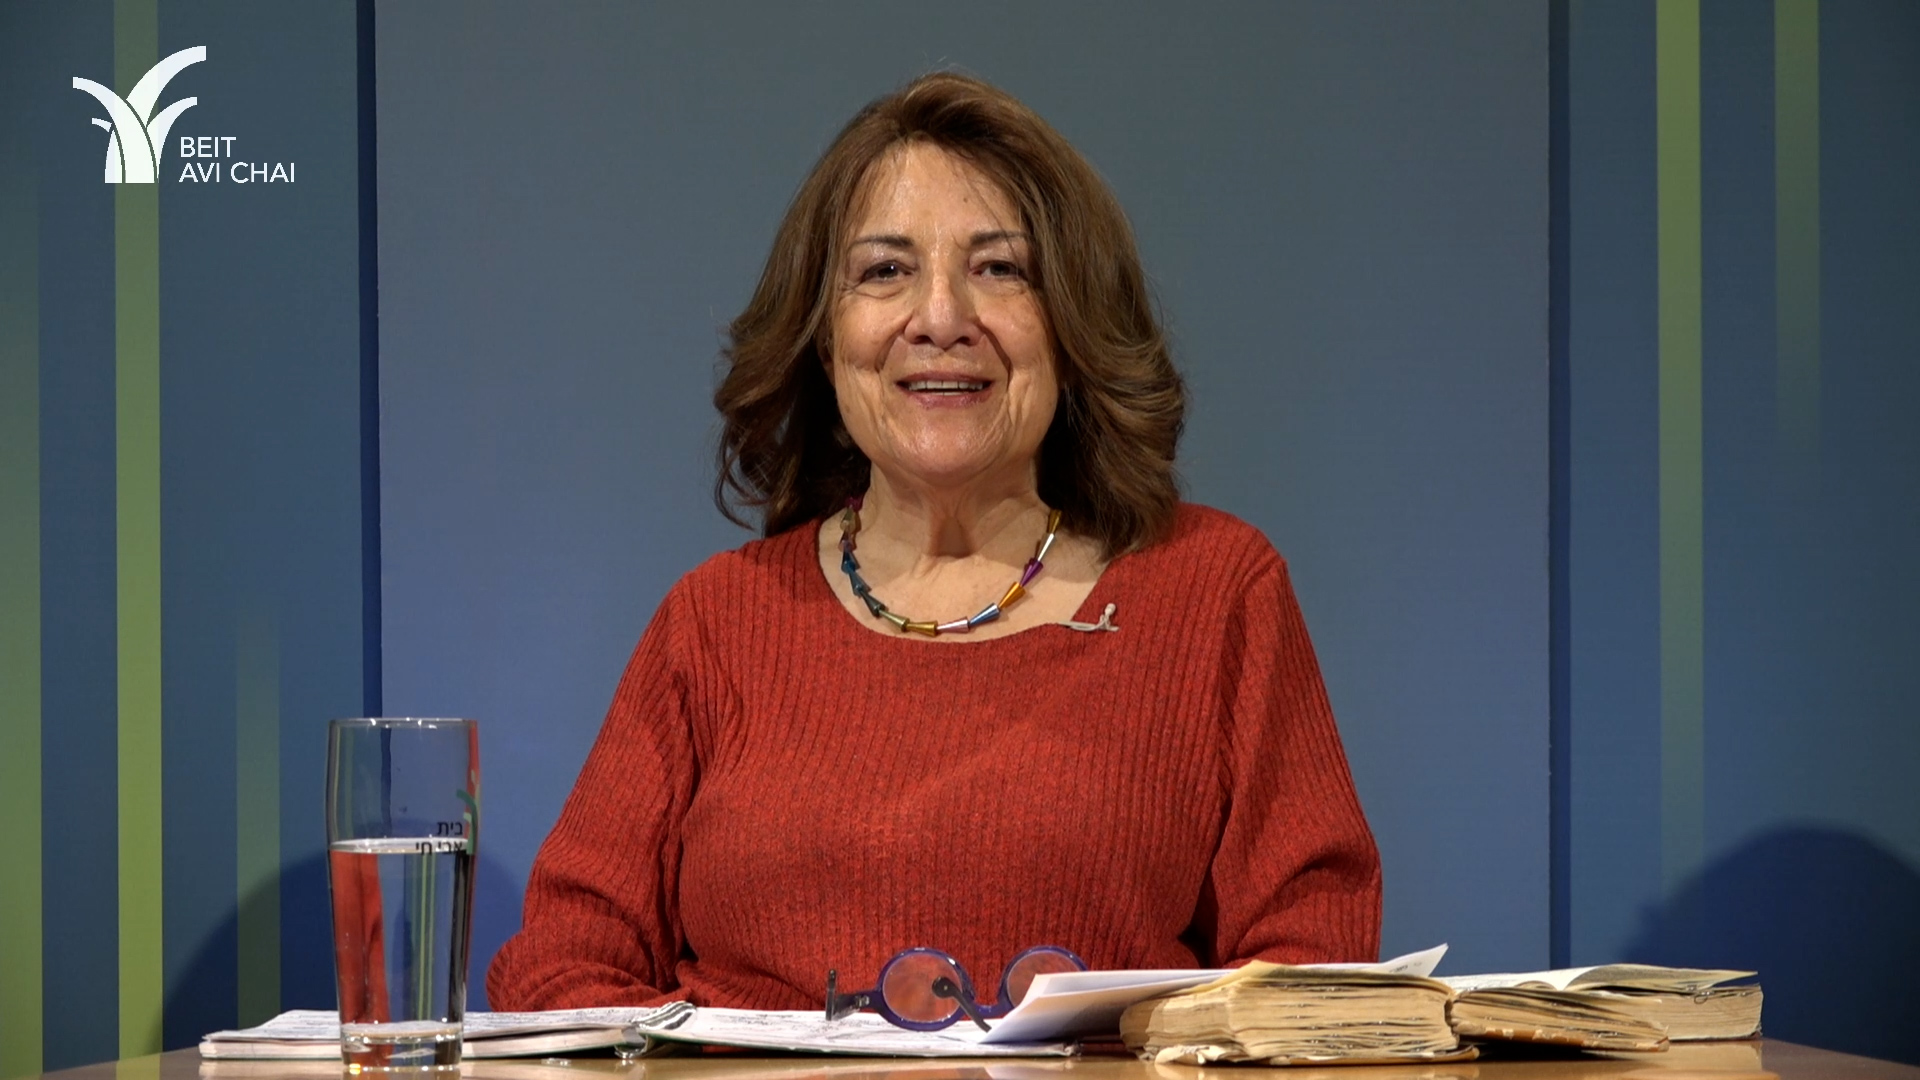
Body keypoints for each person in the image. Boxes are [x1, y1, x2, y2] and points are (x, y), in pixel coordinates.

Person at [486, 71, 1381, 1016]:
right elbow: (561, 964)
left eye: (1001, 270)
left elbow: (1309, 967)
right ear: (824, 338)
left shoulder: (1214, 591)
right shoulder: (714, 622)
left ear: (1071, 327)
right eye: (884, 272)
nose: (943, 319)